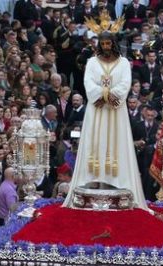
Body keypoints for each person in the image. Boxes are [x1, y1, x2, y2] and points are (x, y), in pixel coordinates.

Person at [64, 30, 146, 209]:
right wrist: (101, 95)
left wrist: (111, 96)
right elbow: (88, 82)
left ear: (114, 43)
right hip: (97, 108)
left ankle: (116, 180)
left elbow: (126, 82)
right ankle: (93, 178)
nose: (106, 46)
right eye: (103, 43)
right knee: (95, 141)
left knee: (117, 142)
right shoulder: (92, 62)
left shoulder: (123, 62)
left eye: (109, 43)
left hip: (116, 110)